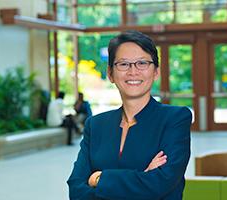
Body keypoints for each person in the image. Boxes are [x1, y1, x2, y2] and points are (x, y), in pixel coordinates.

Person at [67, 30, 192, 199]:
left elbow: (160, 184)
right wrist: (142, 177)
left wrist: (99, 178)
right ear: (110, 73)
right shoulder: (96, 125)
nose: (133, 71)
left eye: (142, 63)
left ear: (156, 72)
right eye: (124, 64)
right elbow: (76, 190)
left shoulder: (175, 119)